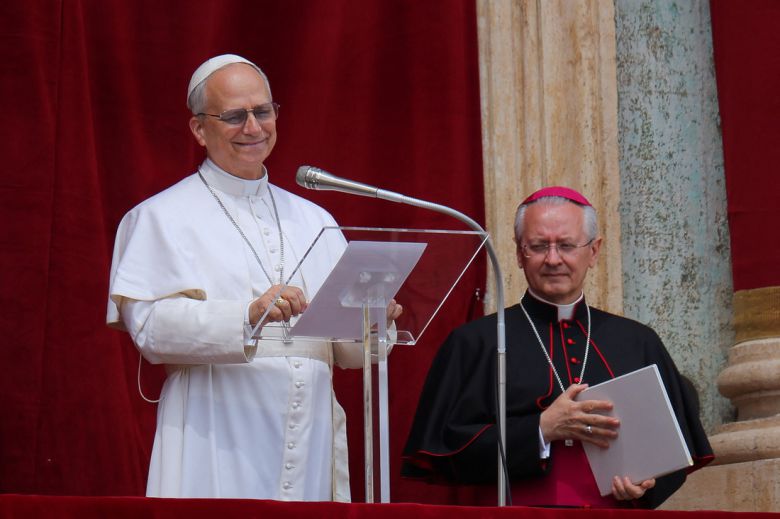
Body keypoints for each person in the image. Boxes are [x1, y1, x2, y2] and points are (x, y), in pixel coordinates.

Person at [107, 54, 400, 501]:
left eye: (262, 112)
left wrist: (372, 321)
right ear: (199, 130)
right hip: (215, 430)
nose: (253, 127)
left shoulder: (314, 218)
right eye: (233, 116)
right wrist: (246, 314)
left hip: (311, 435)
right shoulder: (159, 217)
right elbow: (150, 330)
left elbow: (348, 353)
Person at [401, 186, 713, 508]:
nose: (553, 259)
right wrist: (541, 429)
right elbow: (445, 452)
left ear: (593, 251)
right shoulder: (476, 342)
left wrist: (647, 484)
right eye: (538, 246)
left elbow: (675, 446)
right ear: (520, 253)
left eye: (565, 245)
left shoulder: (637, 341)